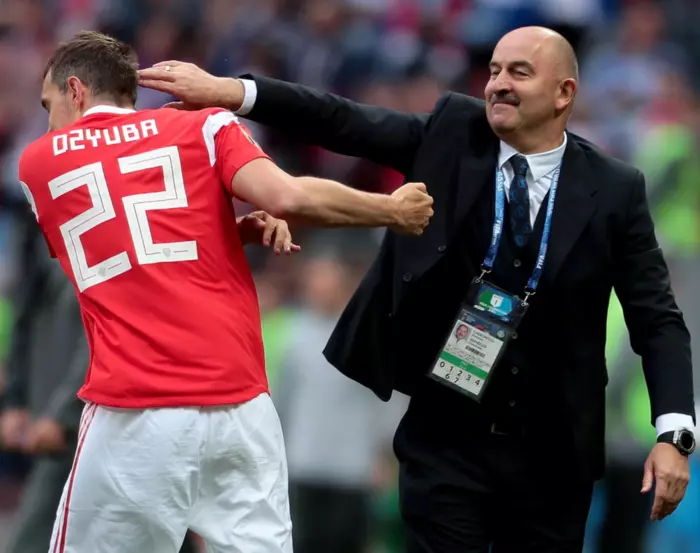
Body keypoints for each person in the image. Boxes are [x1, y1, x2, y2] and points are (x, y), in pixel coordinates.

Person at [139, 25, 696, 553]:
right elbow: (342, 119)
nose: (498, 84)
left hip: (554, 453)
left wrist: (674, 433)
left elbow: (656, 317)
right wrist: (233, 93)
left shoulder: (615, 188)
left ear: (564, 93)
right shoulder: (453, 134)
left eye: (519, 72)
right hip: (445, 438)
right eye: (494, 70)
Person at [17, 31, 433, 553]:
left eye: (49, 105)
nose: (49, 121)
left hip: (134, 411)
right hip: (242, 411)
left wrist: (224, 233)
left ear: (76, 90)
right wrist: (390, 209)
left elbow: (118, 249)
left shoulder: (39, 162)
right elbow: (286, 197)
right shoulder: (207, 124)